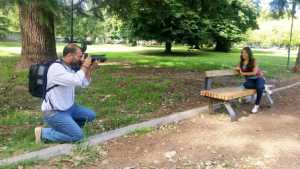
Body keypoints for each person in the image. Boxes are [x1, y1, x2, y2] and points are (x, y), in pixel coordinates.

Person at [34, 43, 99, 143]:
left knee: (90, 115)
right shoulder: (56, 68)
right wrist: (84, 65)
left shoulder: (70, 67)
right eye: (79, 56)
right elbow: (75, 80)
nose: (82, 59)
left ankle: (67, 129)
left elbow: (84, 84)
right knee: (78, 137)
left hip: (69, 108)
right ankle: (43, 133)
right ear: (69, 55)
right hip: (54, 113)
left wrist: (89, 68)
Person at [234, 47, 273, 114]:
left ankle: (256, 105)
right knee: (245, 85)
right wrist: (237, 69)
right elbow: (237, 74)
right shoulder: (241, 63)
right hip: (250, 80)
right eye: (242, 53)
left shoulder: (254, 61)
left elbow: (254, 73)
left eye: (245, 53)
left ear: (249, 54)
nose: (243, 54)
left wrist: (242, 73)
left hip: (259, 78)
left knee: (259, 87)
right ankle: (265, 87)